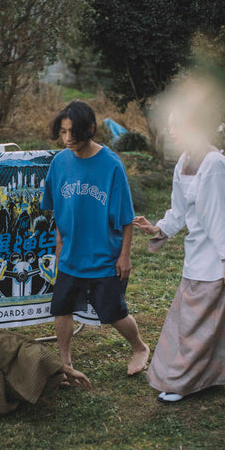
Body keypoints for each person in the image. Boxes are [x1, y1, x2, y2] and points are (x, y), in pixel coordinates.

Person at [133, 84, 225, 403]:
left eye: (176, 123)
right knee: (196, 322)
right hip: (200, 253)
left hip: (220, 259)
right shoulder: (184, 160)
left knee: (200, 325)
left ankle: (181, 381)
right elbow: (179, 210)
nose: (170, 129)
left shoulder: (212, 164)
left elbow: (220, 216)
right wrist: (158, 228)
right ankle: (201, 377)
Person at [41, 100, 149, 375]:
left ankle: (139, 347)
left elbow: (126, 217)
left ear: (90, 128)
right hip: (70, 256)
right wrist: (59, 246)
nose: (67, 139)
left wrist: (124, 256)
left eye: (72, 133)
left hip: (103, 256)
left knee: (114, 313)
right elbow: (56, 209)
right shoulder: (59, 162)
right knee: (61, 309)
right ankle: (65, 363)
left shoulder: (111, 165)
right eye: (63, 132)